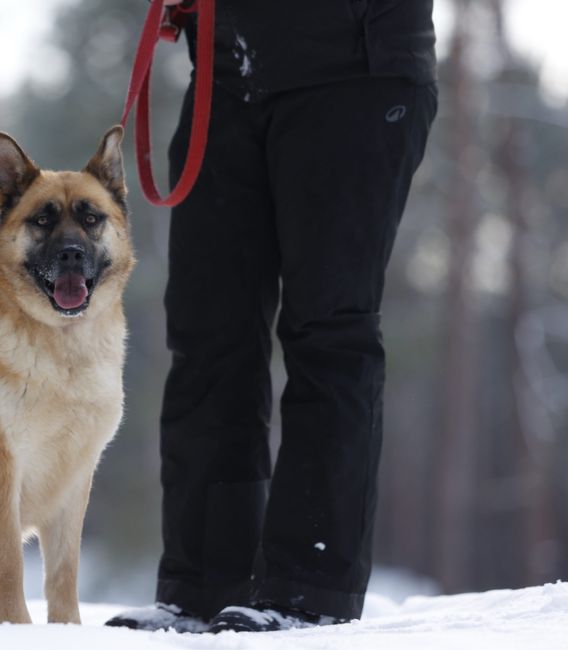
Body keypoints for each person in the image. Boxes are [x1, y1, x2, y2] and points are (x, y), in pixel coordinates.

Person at [106, 0, 438, 634]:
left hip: (353, 67)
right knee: (208, 335)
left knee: (327, 330)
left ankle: (307, 588)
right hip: (227, 73)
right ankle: (203, 585)